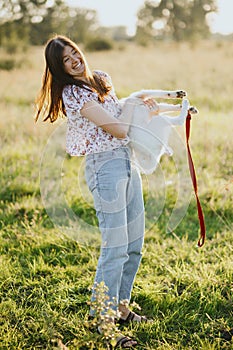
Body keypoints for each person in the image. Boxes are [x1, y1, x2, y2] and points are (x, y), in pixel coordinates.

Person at [36, 35, 155, 348]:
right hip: (105, 169)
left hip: (127, 162)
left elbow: (122, 120)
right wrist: (132, 103)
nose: (74, 59)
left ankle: (122, 308)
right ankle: (104, 324)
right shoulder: (72, 93)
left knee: (133, 244)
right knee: (114, 248)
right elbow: (116, 128)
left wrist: (145, 110)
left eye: (74, 51)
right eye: (65, 59)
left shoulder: (101, 79)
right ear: (59, 68)